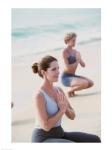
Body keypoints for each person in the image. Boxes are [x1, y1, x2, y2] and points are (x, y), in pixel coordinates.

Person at [31, 55, 100, 143]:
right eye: (53, 69)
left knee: (94, 140)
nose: (58, 72)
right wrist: (61, 110)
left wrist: (65, 108)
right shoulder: (39, 95)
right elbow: (46, 126)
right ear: (44, 72)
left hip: (60, 134)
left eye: (58, 68)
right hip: (43, 139)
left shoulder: (59, 90)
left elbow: (72, 116)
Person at [61, 32, 94, 97]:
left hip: (73, 76)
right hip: (66, 78)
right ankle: (68, 92)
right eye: (73, 40)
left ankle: (72, 90)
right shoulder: (65, 52)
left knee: (91, 83)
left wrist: (80, 59)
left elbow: (83, 65)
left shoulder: (76, 52)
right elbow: (68, 67)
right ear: (67, 41)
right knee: (85, 83)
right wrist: (77, 60)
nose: (75, 42)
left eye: (75, 40)